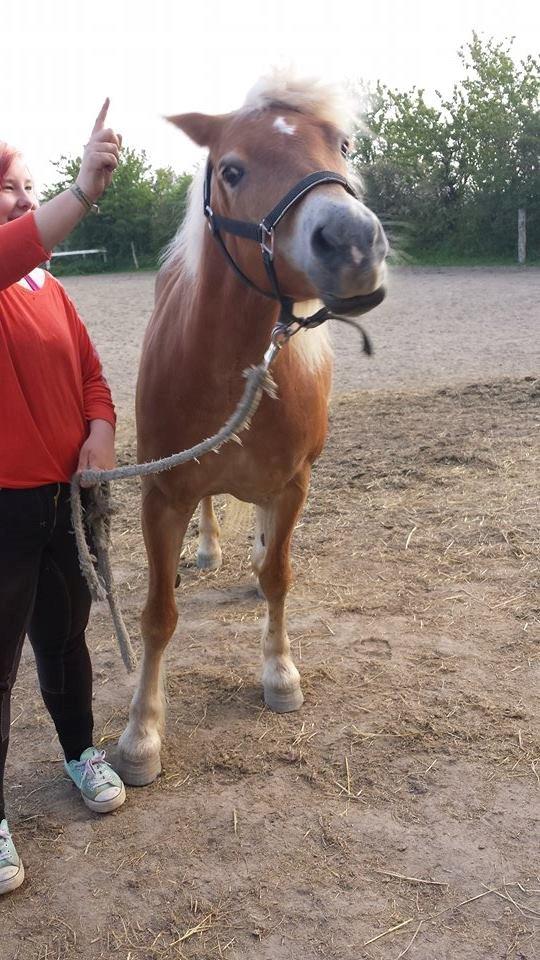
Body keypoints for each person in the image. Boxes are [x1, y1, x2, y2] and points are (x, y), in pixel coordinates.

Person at [0, 101, 126, 896]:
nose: (20, 197)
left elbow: (90, 370)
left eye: (27, 185)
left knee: (65, 635)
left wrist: (102, 427)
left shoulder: (47, 285)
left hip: (61, 502)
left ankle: (80, 750)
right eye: (5, 186)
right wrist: (80, 190)